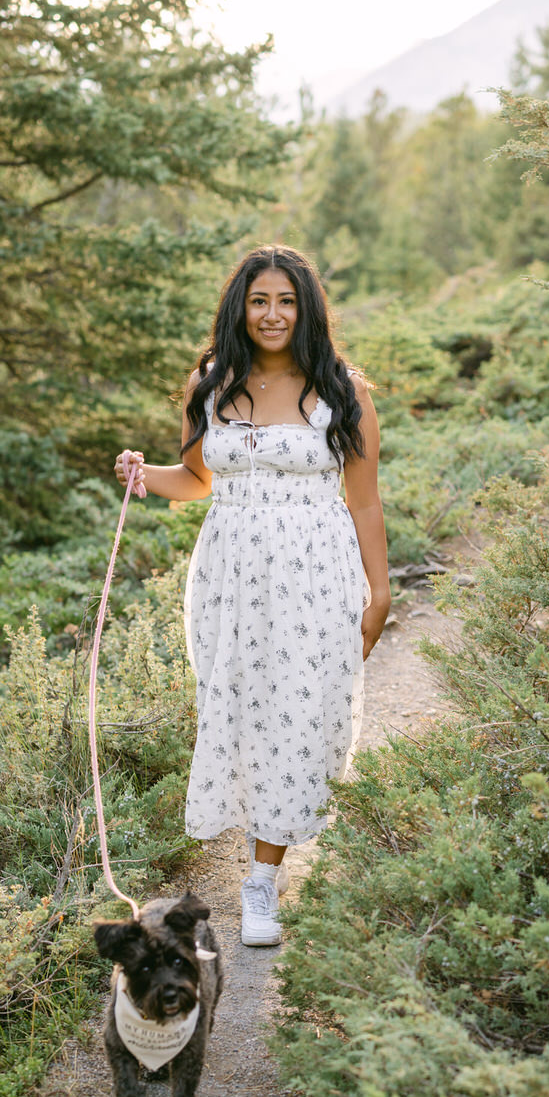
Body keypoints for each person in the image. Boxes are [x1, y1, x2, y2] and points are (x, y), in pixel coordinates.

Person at [114, 245, 390, 945]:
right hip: (228, 577)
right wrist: (145, 475)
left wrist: (378, 590)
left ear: (307, 309)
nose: (272, 314)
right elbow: (197, 479)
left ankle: (262, 881)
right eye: (260, 300)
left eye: (286, 301)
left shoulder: (341, 390)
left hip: (317, 574)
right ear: (240, 306)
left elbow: (362, 502)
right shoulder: (211, 382)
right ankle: (254, 849)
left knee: (301, 716)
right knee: (236, 709)